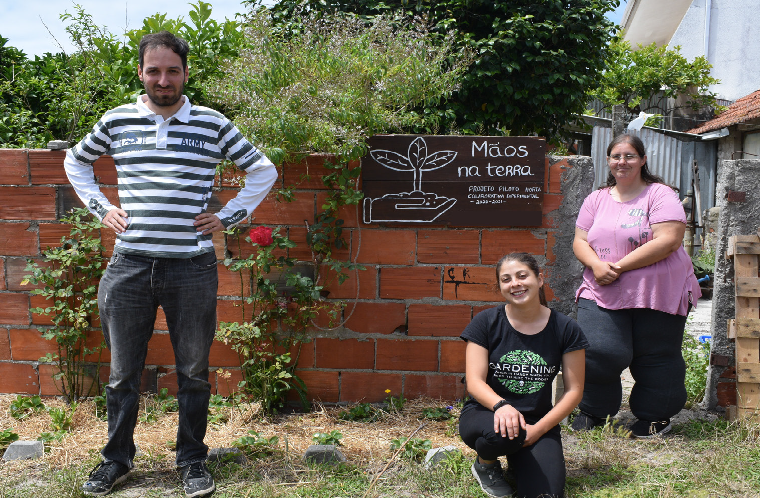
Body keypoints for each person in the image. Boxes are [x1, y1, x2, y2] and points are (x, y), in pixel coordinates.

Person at [63, 31, 277, 497]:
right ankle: (115, 460)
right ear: (140, 72)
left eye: (172, 70)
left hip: (192, 267)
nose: (164, 79)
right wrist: (102, 209)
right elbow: (75, 162)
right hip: (129, 267)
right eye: (154, 70)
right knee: (122, 373)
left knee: (194, 372)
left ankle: (192, 462)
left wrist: (227, 217)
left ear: (185, 73)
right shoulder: (117, 120)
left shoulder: (212, 124)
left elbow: (264, 170)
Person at [571, 133, 701, 438]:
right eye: (616, 156)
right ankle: (593, 411)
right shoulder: (597, 199)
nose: (622, 162)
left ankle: (655, 418)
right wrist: (596, 265)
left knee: (655, 355)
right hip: (602, 286)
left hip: (658, 288)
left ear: (642, 160)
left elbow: (669, 240)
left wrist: (617, 267)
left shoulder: (660, 194)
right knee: (598, 351)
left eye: (629, 156)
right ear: (608, 161)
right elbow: (579, 240)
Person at [459, 253, 588, 498]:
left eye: (522, 276)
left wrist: (538, 430)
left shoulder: (565, 328)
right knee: (508, 433)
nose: (515, 283)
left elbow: (574, 391)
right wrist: (502, 405)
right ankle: (486, 464)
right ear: (500, 288)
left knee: (545, 495)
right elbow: (474, 382)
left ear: (539, 279)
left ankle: (519, 457)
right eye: (506, 279)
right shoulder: (486, 322)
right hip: (486, 413)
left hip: (537, 420)